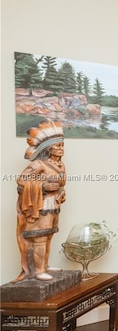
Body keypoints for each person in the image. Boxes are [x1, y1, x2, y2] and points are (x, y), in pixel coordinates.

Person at [13, 121, 66, 282]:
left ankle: (44, 265)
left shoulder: (60, 164)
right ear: (48, 149)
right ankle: (38, 271)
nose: (61, 149)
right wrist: (43, 186)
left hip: (54, 205)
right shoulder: (39, 164)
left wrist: (61, 193)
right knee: (39, 238)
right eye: (57, 146)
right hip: (40, 206)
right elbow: (22, 180)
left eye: (62, 145)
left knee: (48, 236)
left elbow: (61, 184)